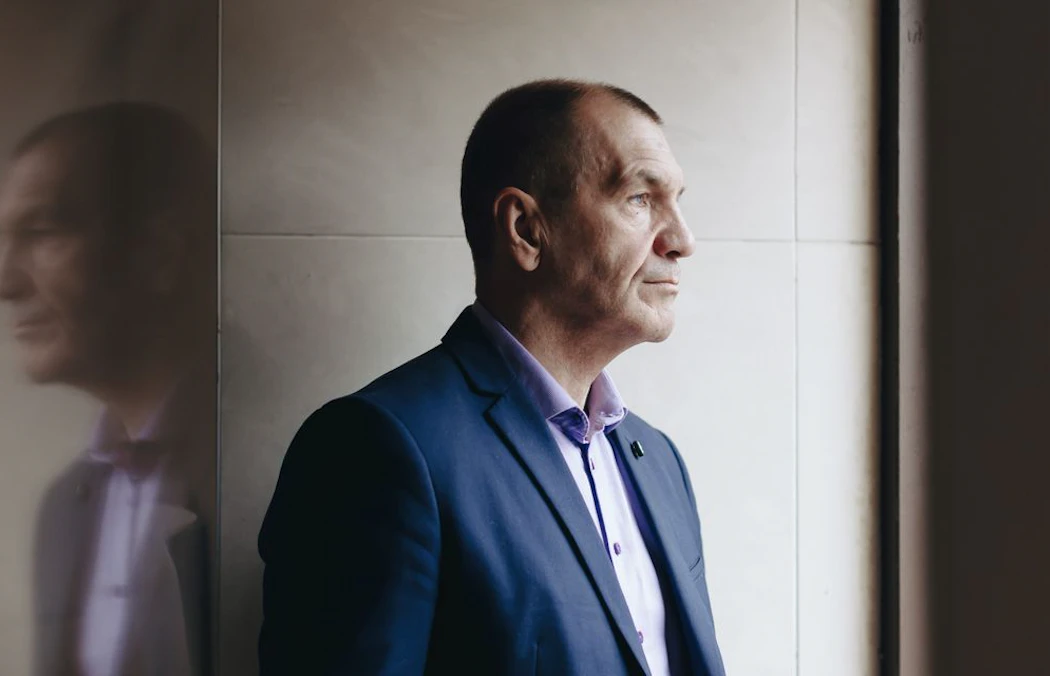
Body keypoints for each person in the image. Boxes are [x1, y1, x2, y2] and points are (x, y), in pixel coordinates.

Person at [257, 79, 725, 675]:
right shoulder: (373, 448)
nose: (682, 240)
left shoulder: (659, 462)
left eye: (677, 201)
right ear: (526, 230)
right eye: (639, 198)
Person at [0, 102, 217, 675]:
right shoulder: (64, 507)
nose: (6, 282)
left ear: (159, 253)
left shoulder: (259, 465)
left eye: (41, 232)